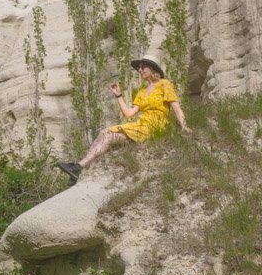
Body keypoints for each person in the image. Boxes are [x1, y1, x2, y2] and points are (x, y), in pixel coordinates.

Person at [57, 55, 190, 186]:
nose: (139, 70)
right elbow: (129, 113)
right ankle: (78, 168)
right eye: (139, 68)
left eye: (142, 67)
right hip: (141, 125)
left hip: (156, 126)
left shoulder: (164, 84)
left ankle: (78, 168)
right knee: (105, 132)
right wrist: (118, 95)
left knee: (110, 136)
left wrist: (184, 126)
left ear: (152, 68)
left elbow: (176, 107)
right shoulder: (142, 92)